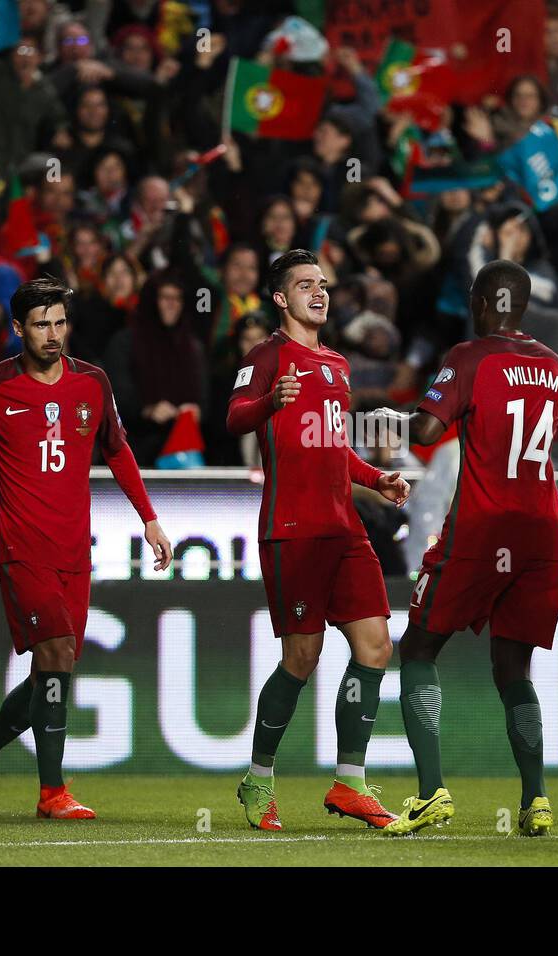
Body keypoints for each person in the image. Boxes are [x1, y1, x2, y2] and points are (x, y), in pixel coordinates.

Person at [0, 277, 172, 819]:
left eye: (60, 322)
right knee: (57, 654)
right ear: (18, 329)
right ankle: (52, 792)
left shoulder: (92, 382)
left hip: (74, 549)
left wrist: (150, 519)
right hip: (18, 546)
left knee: (52, 672)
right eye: (41, 324)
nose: (53, 333)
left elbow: (118, 449)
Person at [379, 260, 558, 837]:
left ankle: (432, 791)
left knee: (415, 649)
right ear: (525, 306)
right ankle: (536, 799)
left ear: (484, 302)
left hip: (483, 528)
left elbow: (429, 431)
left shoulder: (468, 357)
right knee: (514, 666)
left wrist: (395, 419)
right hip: (542, 530)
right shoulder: (555, 367)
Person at [225, 249, 408, 831]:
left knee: (375, 646)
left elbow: (334, 444)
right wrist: (266, 402)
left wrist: (375, 477)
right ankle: (258, 776)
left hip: (344, 529)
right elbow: (233, 416)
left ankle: (349, 782)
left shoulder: (335, 363)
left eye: (322, 284)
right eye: (305, 285)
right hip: (293, 530)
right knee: (300, 658)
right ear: (280, 298)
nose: (318, 293)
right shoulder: (267, 355)